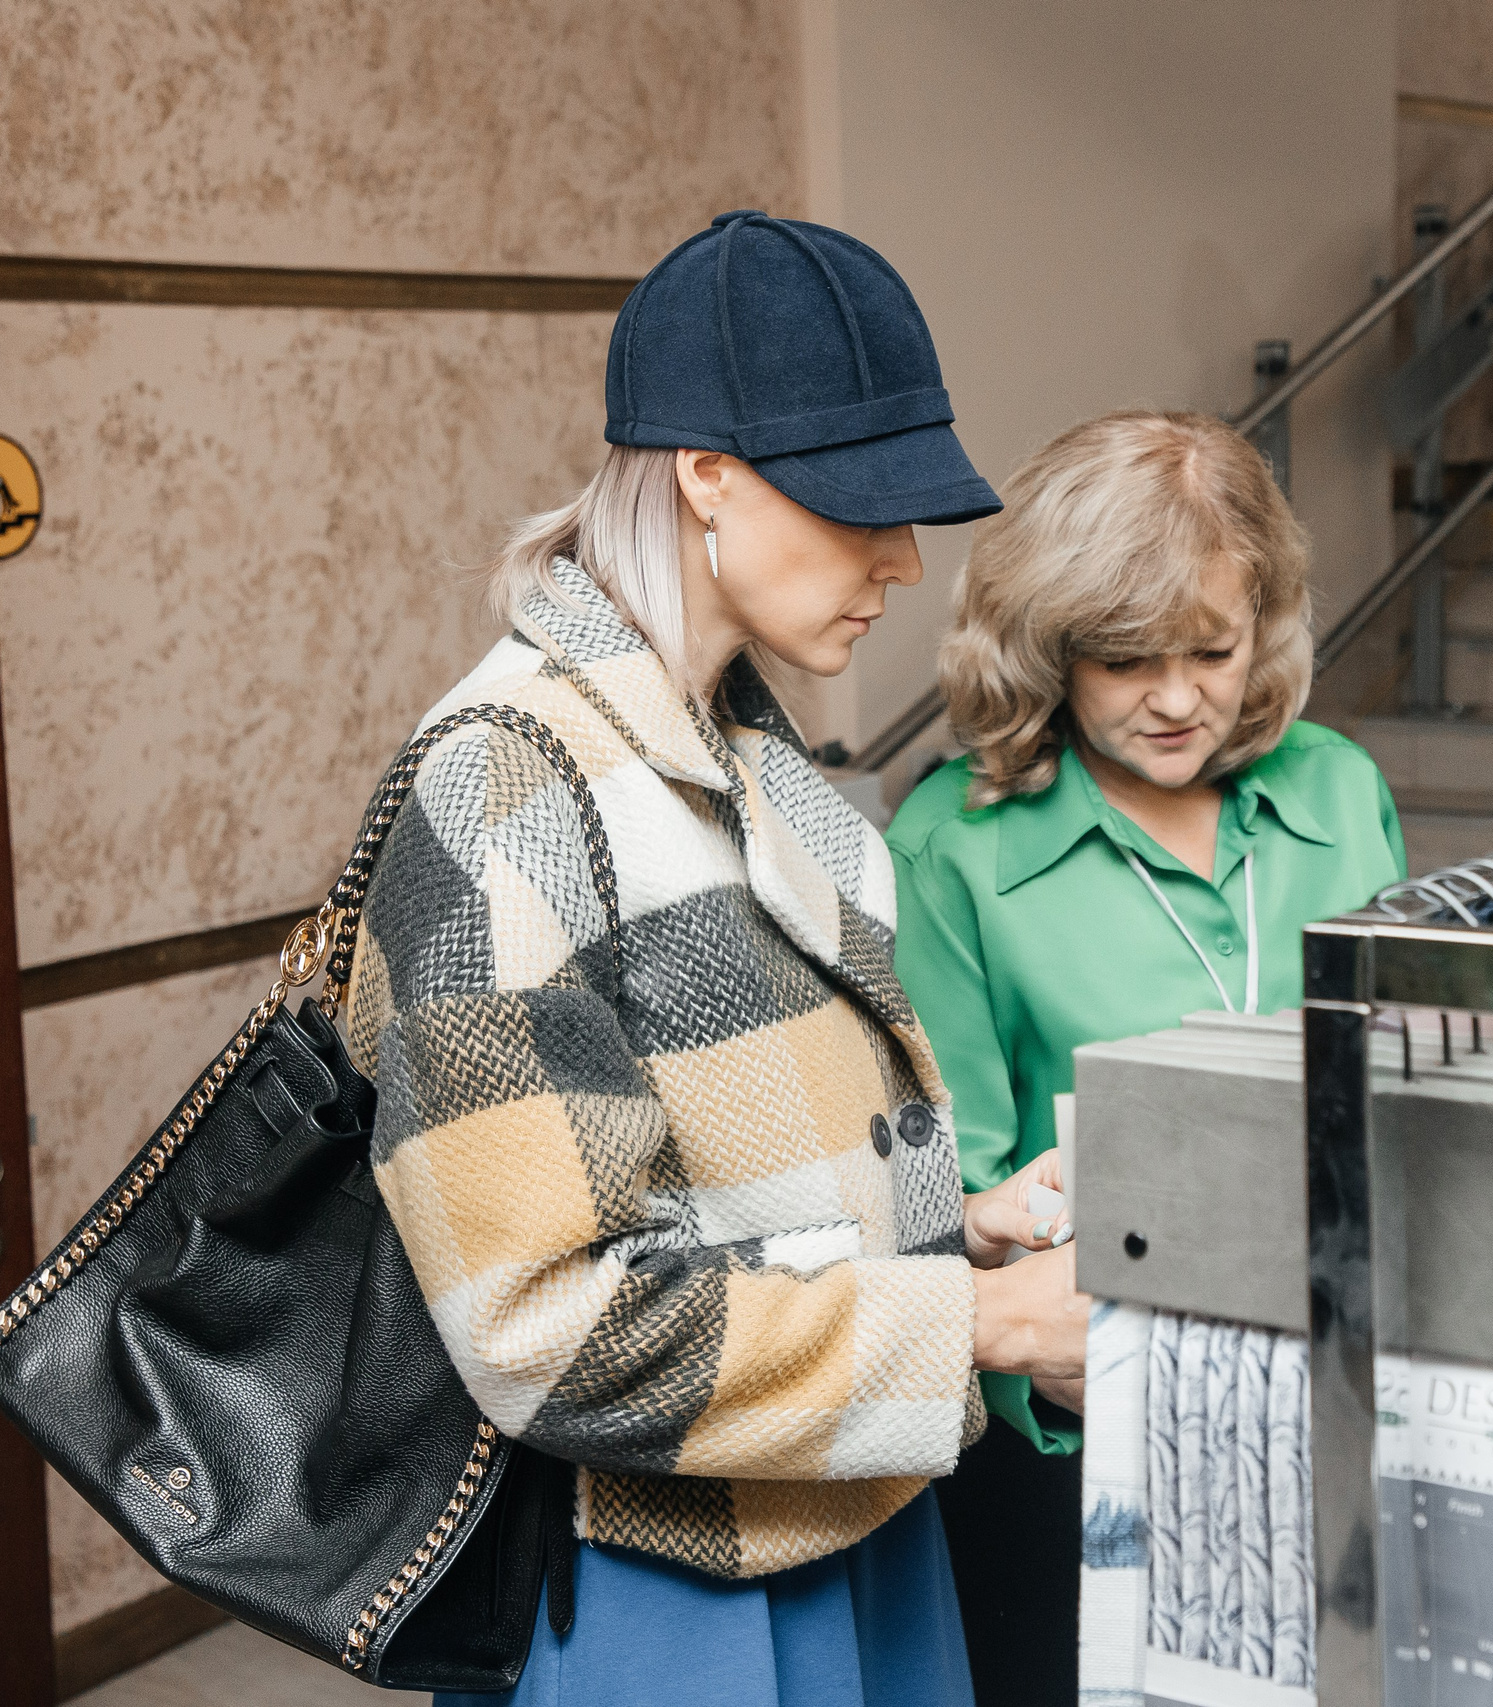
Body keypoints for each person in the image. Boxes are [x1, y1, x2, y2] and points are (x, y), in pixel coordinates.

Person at [346, 210, 1088, 1707]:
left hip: (849, 1494)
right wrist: (987, 1319)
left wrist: (962, 1225)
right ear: (704, 473)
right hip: (655, 1575)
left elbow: (728, 1176)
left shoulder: (742, 746)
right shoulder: (505, 782)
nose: (902, 557)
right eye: (859, 503)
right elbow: (545, 1321)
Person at [886, 410, 1408, 1707]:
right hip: (1082, 1433)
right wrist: (1047, 1371)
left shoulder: (1338, 787)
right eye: (1125, 660)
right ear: (1044, 648)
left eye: (1213, 649)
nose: (1179, 697)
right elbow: (947, 1191)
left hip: (1328, 1381)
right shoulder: (955, 845)